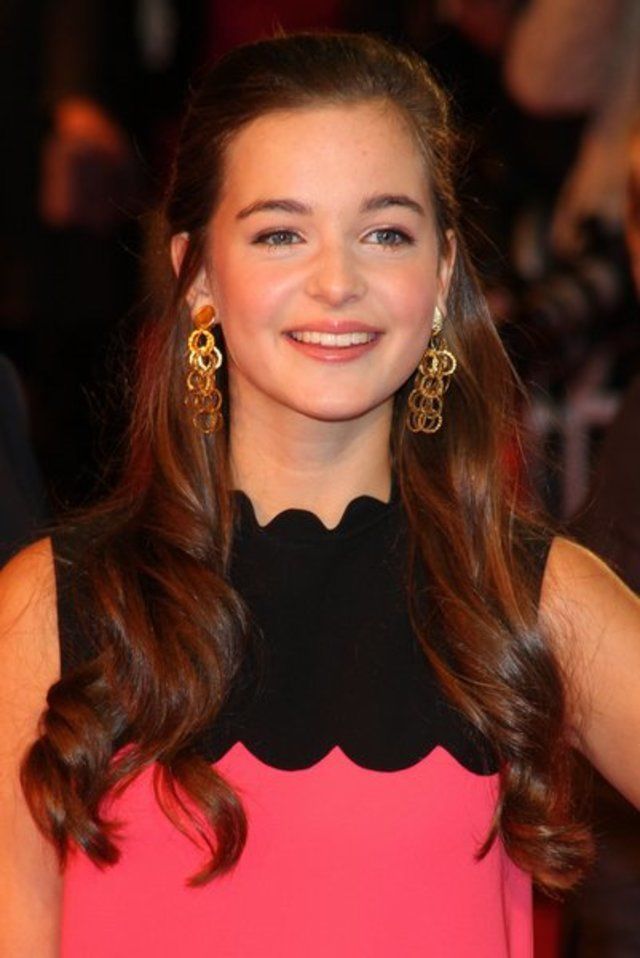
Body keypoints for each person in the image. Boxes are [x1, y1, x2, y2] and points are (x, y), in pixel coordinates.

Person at [1, 32, 639, 958]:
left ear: (443, 274)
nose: (337, 282)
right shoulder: (47, 609)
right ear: (198, 276)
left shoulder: (530, 596)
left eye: (385, 233)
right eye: (281, 234)